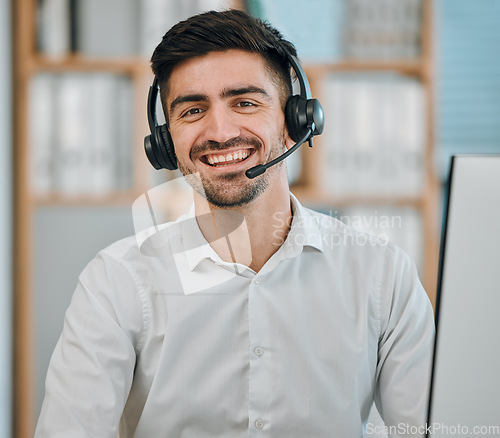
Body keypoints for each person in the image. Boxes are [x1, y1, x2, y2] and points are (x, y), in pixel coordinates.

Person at [35, 9, 434, 438]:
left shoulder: (382, 275)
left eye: (245, 102)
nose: (220, 131)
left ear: (294, 121)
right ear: (166, 143)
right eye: (192, 111)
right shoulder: (116, 283)